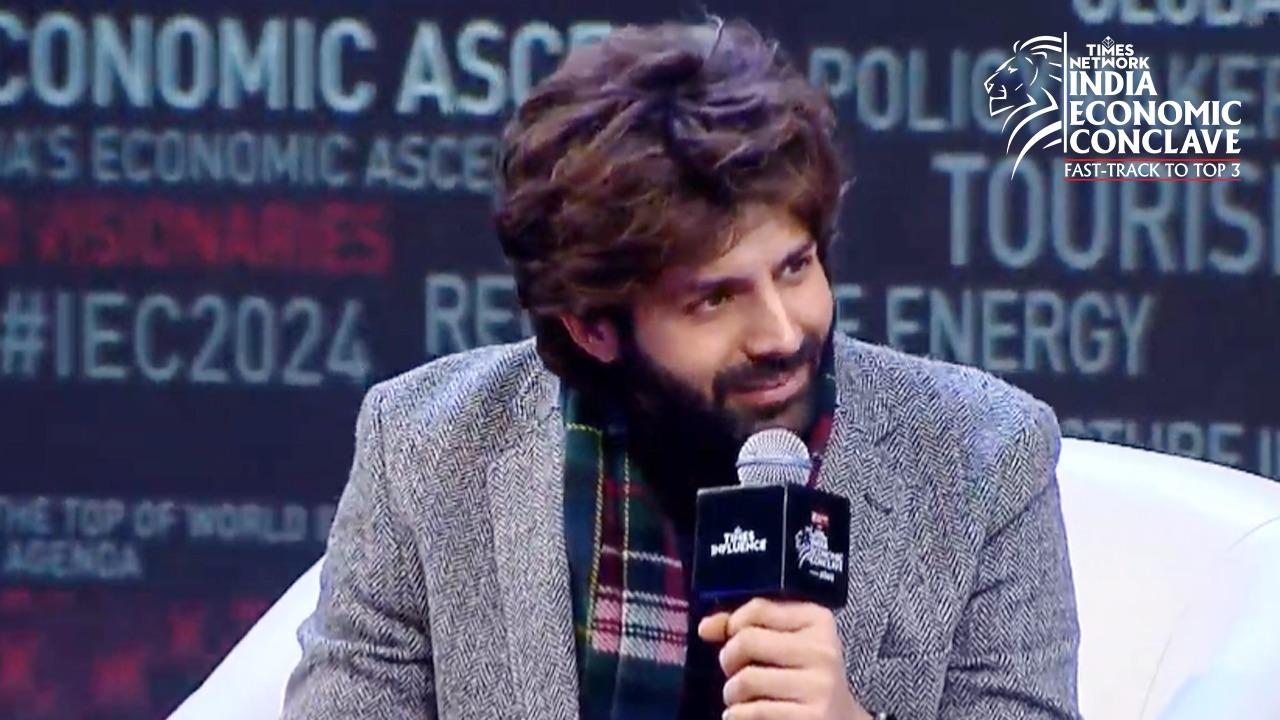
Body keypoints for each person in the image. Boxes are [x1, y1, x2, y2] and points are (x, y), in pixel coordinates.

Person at [279, 17, 1082, 720]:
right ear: (594, 328)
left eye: (795, 268)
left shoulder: (981, 457)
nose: (781, 332)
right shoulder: (425, 448)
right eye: (714, 299)